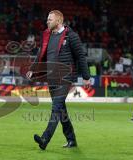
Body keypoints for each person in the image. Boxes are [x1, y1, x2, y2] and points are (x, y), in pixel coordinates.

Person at [26, 10, 90, 150]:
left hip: (65, 78)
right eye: (47, 19)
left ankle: (45, 138)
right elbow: (40, 54)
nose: (47, 21)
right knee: (61, 111)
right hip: (52, 78)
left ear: (59, 21)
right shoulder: (47, 36)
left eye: (50, 19)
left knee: (55, 109)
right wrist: (32, 68)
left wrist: (86, 77)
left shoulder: (71, 36)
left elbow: (81, 56)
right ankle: (71, 139)